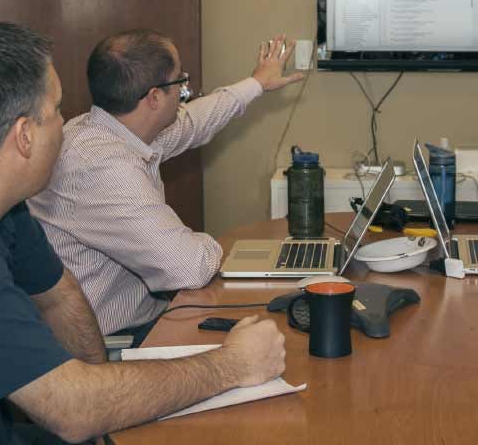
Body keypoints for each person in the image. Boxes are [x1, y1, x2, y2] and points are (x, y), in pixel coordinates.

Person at [0, 22, 286, 445]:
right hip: (89, 370)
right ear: (24, 135)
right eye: (57, 109)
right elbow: (72, 409)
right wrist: (232, 365)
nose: (65, 123)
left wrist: (256, 85)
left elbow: (60, 295)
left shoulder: (11, 213)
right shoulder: (96, 162)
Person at [29, 29, 303, 340]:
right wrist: (218, 247)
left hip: (144, 318)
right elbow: (188, 267)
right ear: (155, 98)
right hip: (113, 343)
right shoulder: (100, 166)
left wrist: (256, 84)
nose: (186, 91)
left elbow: (191, 122)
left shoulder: (103, 129)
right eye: (180, 82)